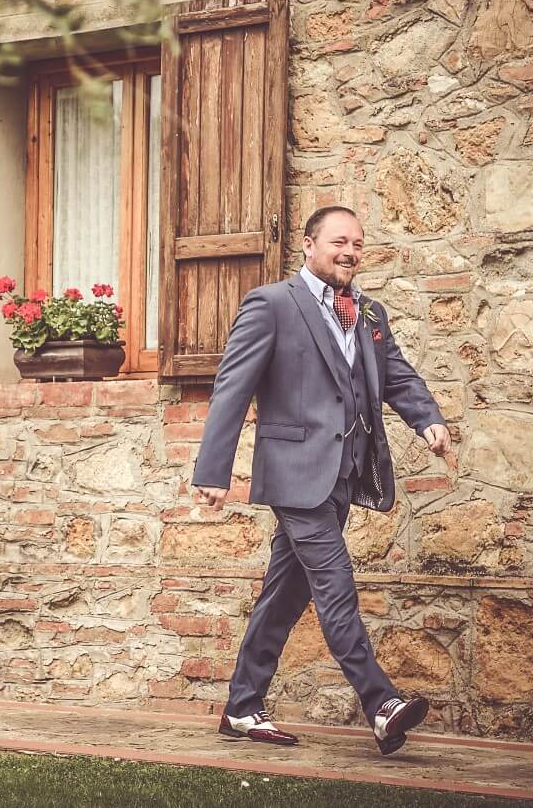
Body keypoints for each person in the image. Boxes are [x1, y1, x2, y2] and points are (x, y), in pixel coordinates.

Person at [190, 205, 451, 755]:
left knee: (284, 594)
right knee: (336, 587)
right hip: (294, 474)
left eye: (357, 242)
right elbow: (232, 388)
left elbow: (396, 376)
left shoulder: (371, 313)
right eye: (338, 241)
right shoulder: (273, 304)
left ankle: (241, 706)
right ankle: (381, 703)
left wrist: (427, 419)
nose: (349, 251)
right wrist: (213, 471)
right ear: (309, 246)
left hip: (345, 473)